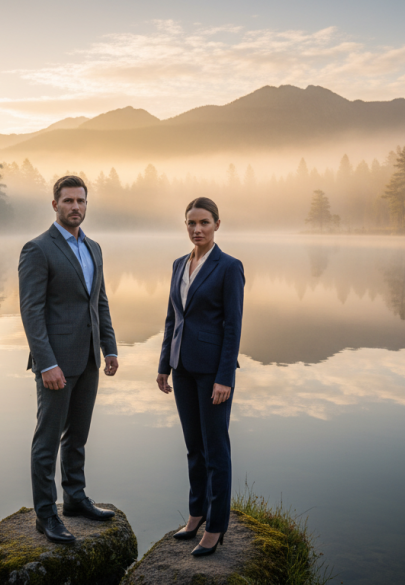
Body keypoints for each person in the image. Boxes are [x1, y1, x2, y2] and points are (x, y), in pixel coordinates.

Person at [19, 175, 120, 543]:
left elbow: (100, 301)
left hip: (89, 358)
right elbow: (31, 312)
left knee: (77, 436)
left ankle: (74, 499)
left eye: (81, 201)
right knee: (47, 440)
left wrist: (109, 347)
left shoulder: (93, 247)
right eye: (68, 201)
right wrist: (46, 363)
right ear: (55, 205)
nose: (75, 207)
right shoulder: (37, 249)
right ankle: (46, 515)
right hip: (56, 364)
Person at [156, 197, 245, 557]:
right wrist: (164, 365)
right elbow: (171, 319)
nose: (197, 229)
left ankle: (217, 526)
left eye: (204, 223)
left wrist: (225, 377)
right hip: (182, 369)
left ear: (217, 225)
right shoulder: (179, 264)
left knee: (215, 450)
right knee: (193, 447)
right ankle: (196, 514)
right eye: (191, 223)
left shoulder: (229, 267)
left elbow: (233, 326)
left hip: (213, 374)